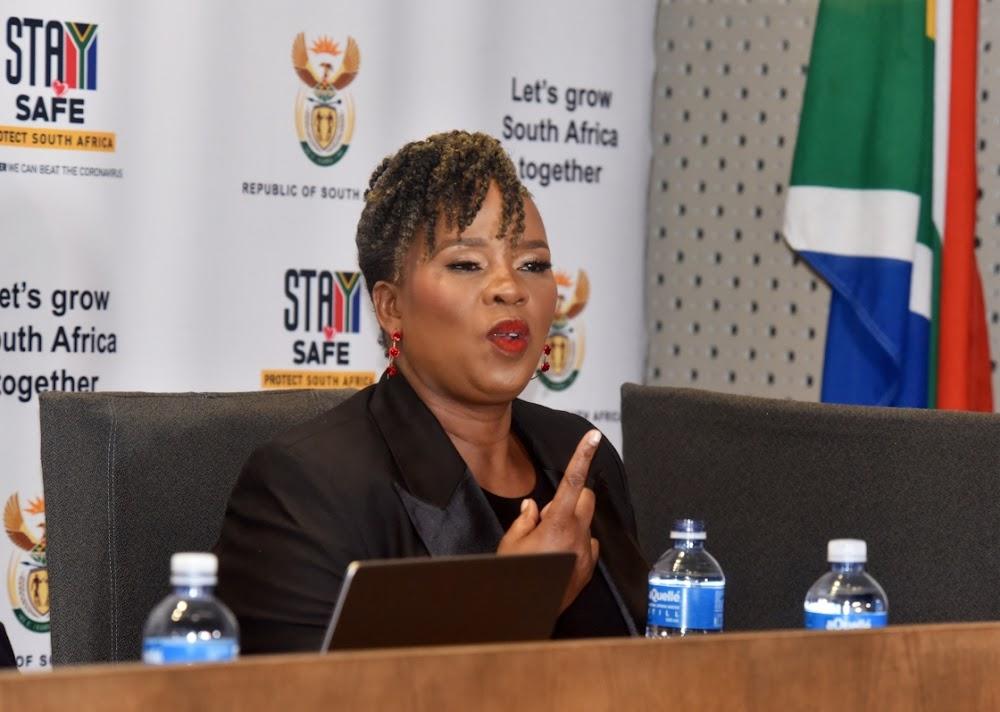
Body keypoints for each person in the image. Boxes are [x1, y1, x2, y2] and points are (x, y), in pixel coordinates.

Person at [213, 130, 648, 654]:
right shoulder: (305, 487)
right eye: (467, 264)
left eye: (532, 264)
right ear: (391, 306)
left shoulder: (579, 455)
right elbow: (300, 693)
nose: (510, 288)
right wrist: (514, 604)